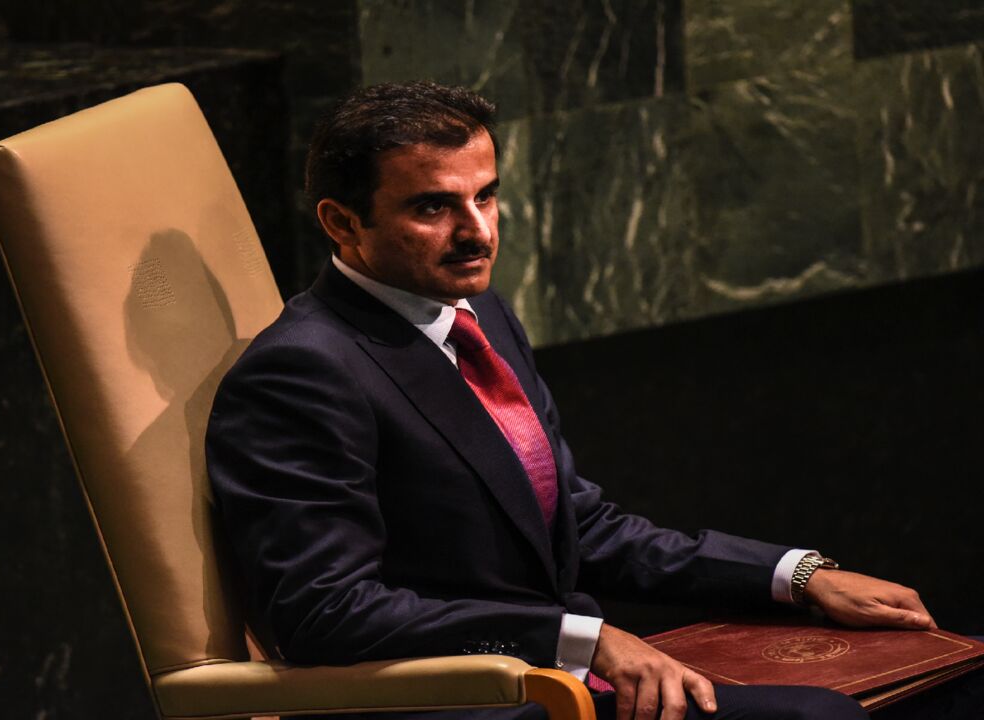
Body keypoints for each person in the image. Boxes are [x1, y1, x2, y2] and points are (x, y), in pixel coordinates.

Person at [205, 81, 974, 720]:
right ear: (343, 223)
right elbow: (326, 615)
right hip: (471, 700)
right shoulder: (303, 374)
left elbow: (580, 529)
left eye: (488, 196)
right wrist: (579, 639)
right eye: (433, 208)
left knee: (944, 672)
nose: (478, 233)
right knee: (824, 716)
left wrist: (795, 574)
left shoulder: (477, 313)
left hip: (563, 668)